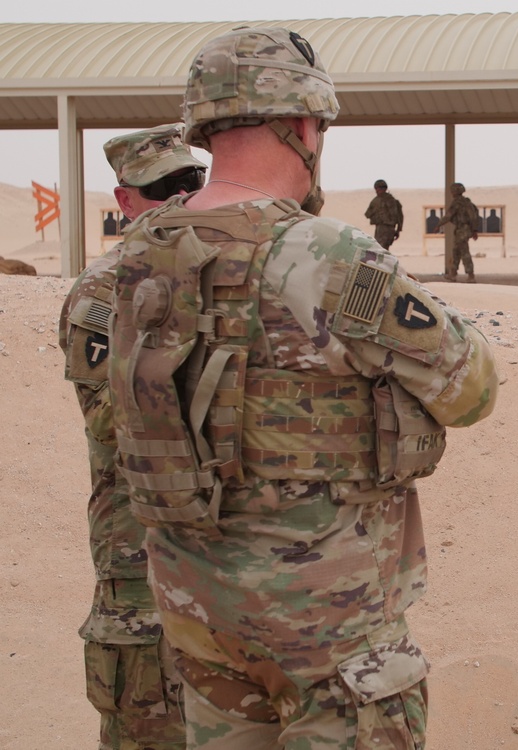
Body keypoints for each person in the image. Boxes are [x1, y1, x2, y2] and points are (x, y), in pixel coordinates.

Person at [106, 27, 498, 749]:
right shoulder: (324, 253)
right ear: (304, 124)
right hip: (326, 625)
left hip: (199, 609)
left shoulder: (139, 252)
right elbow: (471, 390)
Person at [59, 122, 206, 750]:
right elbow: (114, 422)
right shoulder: (104, 291)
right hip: (140, 557)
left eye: (189, 181)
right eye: (159, 188)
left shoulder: (225, 269)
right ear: (124, 202)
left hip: (224, 559)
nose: (178, 198)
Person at [438, 181, 479, 282]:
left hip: (462, 230)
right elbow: (474, 217)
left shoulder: (457, 203)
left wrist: (438, 225)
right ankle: (453, 273)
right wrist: (474, 230)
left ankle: (471, 275)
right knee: (456, 251)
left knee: (464, 252)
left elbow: (448, 216)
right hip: (464, 230)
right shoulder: (468, 203)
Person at [364, 178, 404, 250]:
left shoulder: (376, 201)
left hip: (382, 229)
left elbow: (367, 214)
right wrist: (398, 230)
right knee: (384, 249)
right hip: (390, 229)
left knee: (380, 249)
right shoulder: (394, 201)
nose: (377, 191)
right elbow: (400, 217)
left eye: (377, 189)